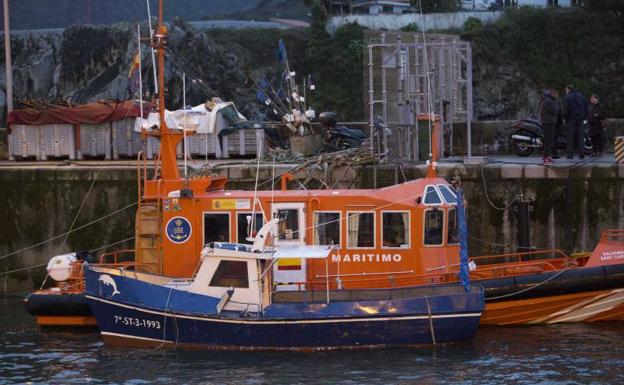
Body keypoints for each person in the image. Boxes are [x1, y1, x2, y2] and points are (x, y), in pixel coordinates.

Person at [563, 85, 588, 159]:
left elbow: (566, 109)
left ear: (568, 89)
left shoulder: (567, 97)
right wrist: (583, 117)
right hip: (580, 119)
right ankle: (582, 154)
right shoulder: (582, 97)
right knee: (580, 136)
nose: (566, 92)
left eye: (566, 90)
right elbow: (586, 108)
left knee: (570, 137)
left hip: (571, 119)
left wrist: (565, 118)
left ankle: (570, 154)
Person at [538, 89, 560, 163]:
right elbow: (555, 111)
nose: (557, 96)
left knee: (549, 140)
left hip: (550, 122)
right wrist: (557, 106)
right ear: (552, 94)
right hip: (548, 123)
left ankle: (547, 156)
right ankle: (545, 156)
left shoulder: (550, 101)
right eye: (556, 94)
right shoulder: (548, 101)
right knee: (548, 140)